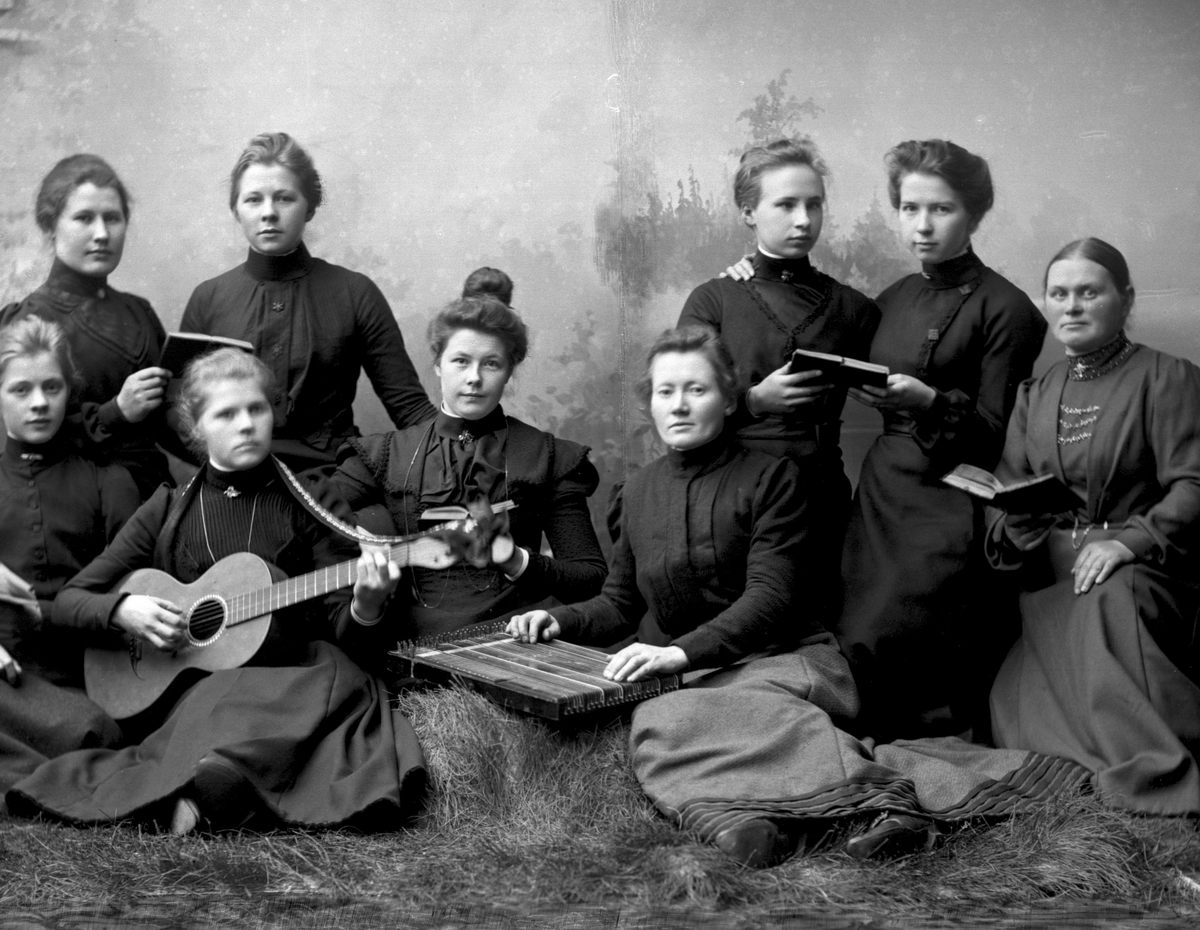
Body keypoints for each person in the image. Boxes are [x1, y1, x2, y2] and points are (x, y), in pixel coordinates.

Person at [509, 326, 1088, 867]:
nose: (679, 404)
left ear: (730, 399)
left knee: (687, 712)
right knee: (659, 722)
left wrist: (678, 655)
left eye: (696, 389)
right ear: (651, 404)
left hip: (786, 657)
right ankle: (745, 826)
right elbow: (619, 602)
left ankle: (879, 803)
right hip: (699, 674)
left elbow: (773, 597)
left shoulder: (772, 478)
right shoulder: (637, 492)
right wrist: (558, 621)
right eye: (666, 391)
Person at [5, 348, 425, 833]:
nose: (246, 424)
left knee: (297, 690)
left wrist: (366, 603)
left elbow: (349, 634)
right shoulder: (167, 507)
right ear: (197, 428)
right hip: (196, 685)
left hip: (294, 673)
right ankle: (213, 786)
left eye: (256, 409)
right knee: (218, 698)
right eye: (226, 413)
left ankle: (201, 789)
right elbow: (71, 601)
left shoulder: (315, 498)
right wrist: (122, 608)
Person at [837, 139, 1047, 738]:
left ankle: (931, 762)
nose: (921, 225)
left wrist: (927, 400)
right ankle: (868, 757)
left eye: (941, 210)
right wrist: (747, 271)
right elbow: (824, 321)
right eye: (908, 209)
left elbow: (997, 436)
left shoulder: (1007, 308)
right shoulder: (896, 297)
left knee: (923, 649)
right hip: (883, 492)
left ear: (975, 215)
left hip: (952, 499)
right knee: (860, 635)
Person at [986, 238, 1200, 816]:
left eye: (1089, 292)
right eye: (1059, 294)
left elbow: (1195, 485)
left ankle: (1153, 781)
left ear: (1124, 300)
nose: (1072, 307)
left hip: (1142, 575)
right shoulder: (1037, 393)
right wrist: (1015, 529)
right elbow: (1008, 486)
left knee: (1108, 603)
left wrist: (1128, 544)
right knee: (1011, 708)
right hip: (1057, 580)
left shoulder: (1166, 377)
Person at [332, 293, 606, 648]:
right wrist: (367, 548)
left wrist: (516, 559)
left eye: (491, 364)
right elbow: (313, 521)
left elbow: (590, 578)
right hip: (409, 644)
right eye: (460, 361)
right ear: (437, 365)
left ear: (510, 370)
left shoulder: (547, 456)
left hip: (514, 641)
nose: (474, 378)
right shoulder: (384, 454)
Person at [680, 138, 879, 616]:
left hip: (821, 498)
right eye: (785, 204)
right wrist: (752, 401)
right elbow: (680, 409)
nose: (804, 219)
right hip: (731, 497)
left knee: (820, 623)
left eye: (814, 204)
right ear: (749, 212)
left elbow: (892, 390)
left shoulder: (853, 309)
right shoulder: (715, 301)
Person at [180, 132, 434, 472]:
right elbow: (180, 408)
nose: (268, 213)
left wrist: (466, 447)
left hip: (335, 477)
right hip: (240, 481)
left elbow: (409, 407)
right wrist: (225, 465)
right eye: (253, 200)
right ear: (235, 210)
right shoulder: (208, 298)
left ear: (310, 207)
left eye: (284, 198)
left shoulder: (354, 292)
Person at [0, 317, 135, 799]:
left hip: (84, 679)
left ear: (68, 390)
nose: (39, 403)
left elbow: (135, 591)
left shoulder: (108, 481)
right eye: (20, 389)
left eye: (51, 386)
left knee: (89, 728)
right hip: (5, 675)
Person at [0, 155, 176, 498]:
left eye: (113, 218)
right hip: (74, 505)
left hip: (155, 495)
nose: (101, 234)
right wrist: (116, 412)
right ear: (51, 227)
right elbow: (21, 434)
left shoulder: (138, 312)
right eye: (84, 218)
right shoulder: (28, 322)